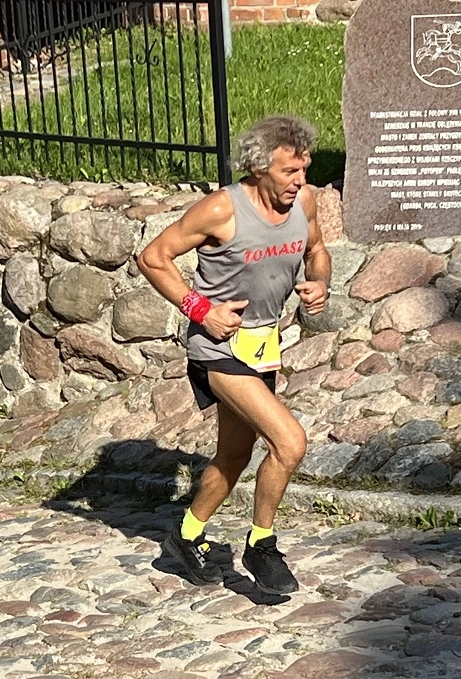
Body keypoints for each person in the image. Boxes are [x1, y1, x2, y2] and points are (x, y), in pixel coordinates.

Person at [137, 116, 333, 595]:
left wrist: (320, 283)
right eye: (289, 171)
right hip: (217, 347)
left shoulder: (304, 201)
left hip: (263, 347)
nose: (300, 180)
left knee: (233, 455)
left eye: (304, 169)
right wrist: (201, 310)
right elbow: (153, 257)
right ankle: (261, 545)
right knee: (289, 443)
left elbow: (318, 250)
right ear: (258, 168)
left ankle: (185, 537)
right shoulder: (221, 209)